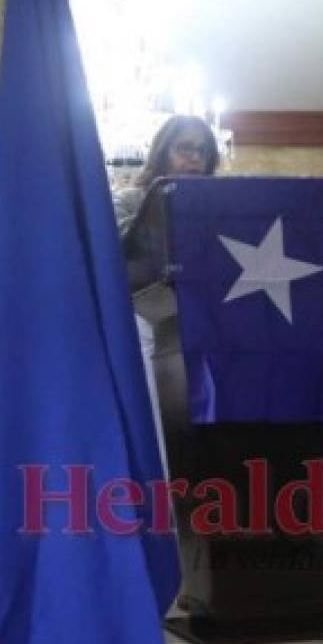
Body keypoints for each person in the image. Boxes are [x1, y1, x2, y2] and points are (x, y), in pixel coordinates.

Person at [112, 115, 221, 457]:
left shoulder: (221, 205)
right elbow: (118, 251)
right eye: (184, 148)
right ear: (162, 152)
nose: (193, 158)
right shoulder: (130, 199)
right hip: (149, 325)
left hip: (208, 326)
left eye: (202, 151)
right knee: (158, 432)